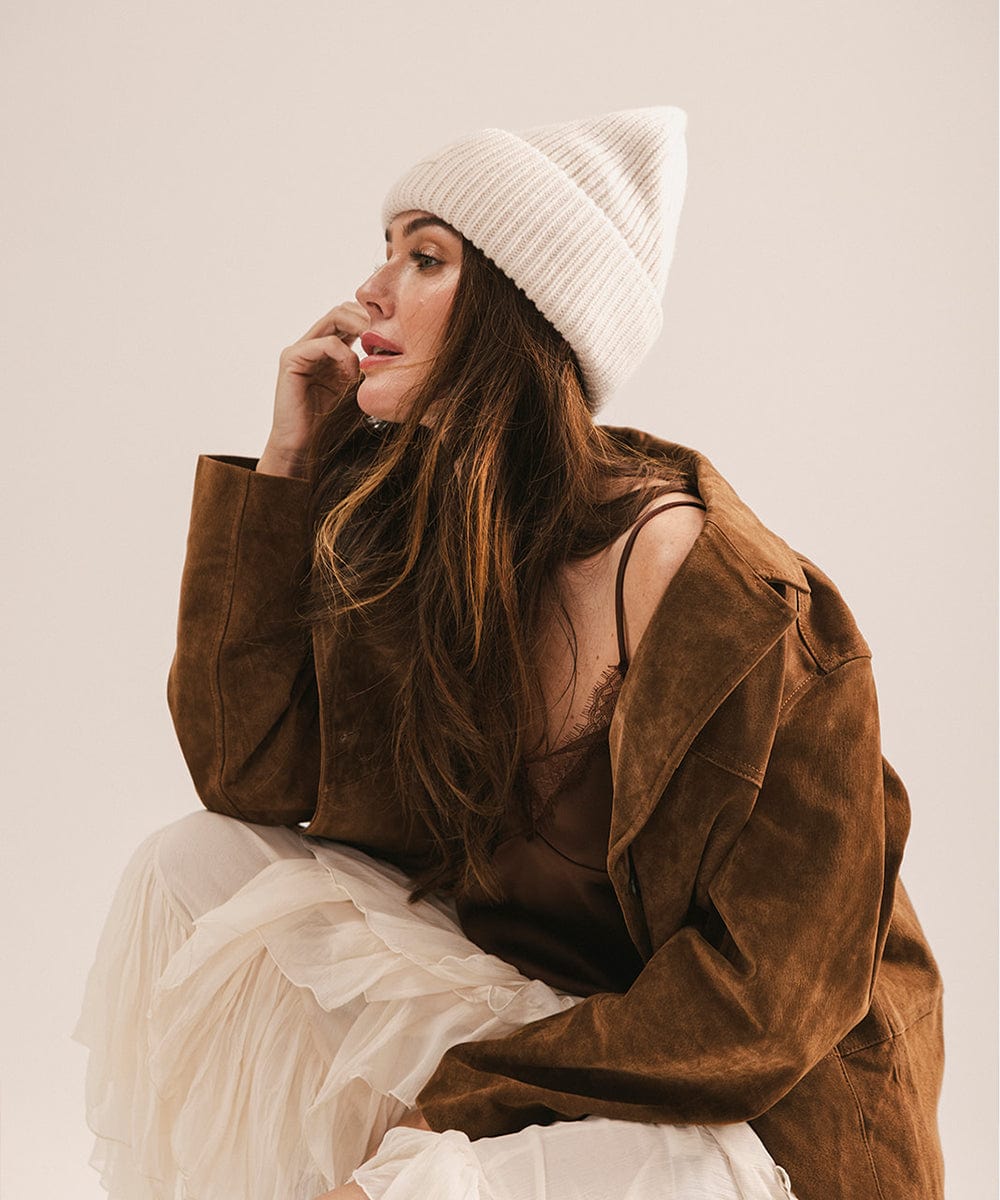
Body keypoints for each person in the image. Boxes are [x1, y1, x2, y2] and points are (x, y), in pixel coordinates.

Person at [73, 106, 945, 1200]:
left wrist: (448, 1122)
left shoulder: (743, 611)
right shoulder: (436, 535)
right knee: (192, 865)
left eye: (425, 257)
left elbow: (761, 1017)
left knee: (436, 1187)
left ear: (521, 312)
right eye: (385, 249)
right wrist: (289, 466)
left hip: (740, 1118)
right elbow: (247, 778)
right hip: (553, 1019)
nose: (369, 294)